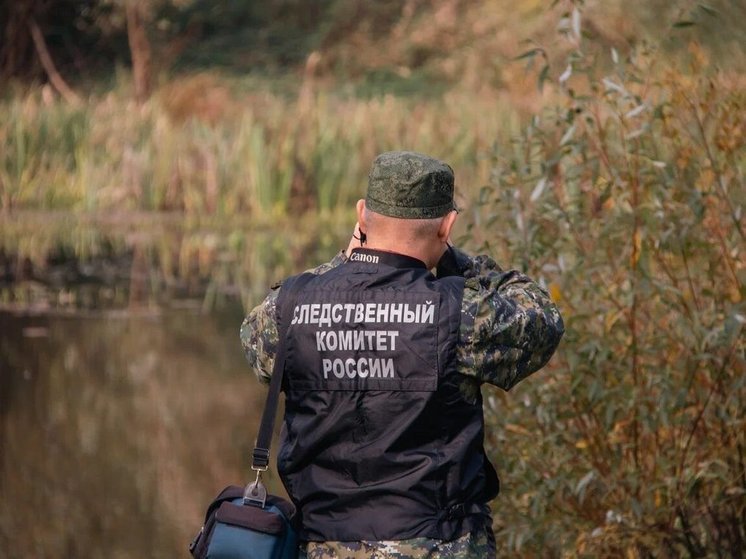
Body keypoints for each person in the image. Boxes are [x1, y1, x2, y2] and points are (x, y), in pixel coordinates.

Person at [240, 151, 564, 558]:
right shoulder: (457, 314)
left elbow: (256, 349)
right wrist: (458, 260)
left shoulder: (287, 309)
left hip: (322, 545)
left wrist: (345, 262)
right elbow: (541, 318)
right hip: (437, 545)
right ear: (447, 225)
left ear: (362, 215)